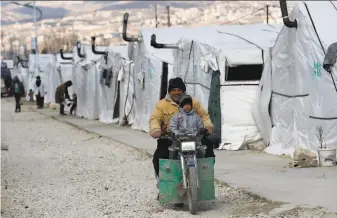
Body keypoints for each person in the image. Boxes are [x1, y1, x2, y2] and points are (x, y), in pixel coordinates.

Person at [149, 77, 215, 202]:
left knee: (209, 149)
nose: (176, 92)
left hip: (193, 137)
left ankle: (206, 179)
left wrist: (208, 126)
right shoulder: (161, 105)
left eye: (179, 89)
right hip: (170, 138)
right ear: (169, 91)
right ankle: (164, 187)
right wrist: (155, 130)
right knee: (159, 157)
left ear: (183, 91)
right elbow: (154, 119)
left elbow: (203, 115)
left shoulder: (192, 102)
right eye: (173, 90)